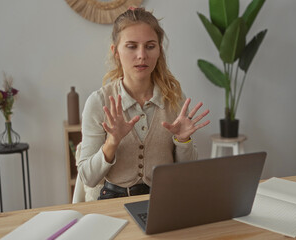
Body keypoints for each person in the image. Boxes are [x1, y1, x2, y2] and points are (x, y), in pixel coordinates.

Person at [77, 7, 210, 201]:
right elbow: (88, 178)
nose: (142, 55)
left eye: (150, 46)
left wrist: (183, 141)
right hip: (115, 202)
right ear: (116, 51)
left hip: (165, 199)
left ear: (159, 50)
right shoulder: (99, 102)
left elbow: (186, 173)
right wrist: (111, 142)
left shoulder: (175, 99)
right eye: (131, 46)